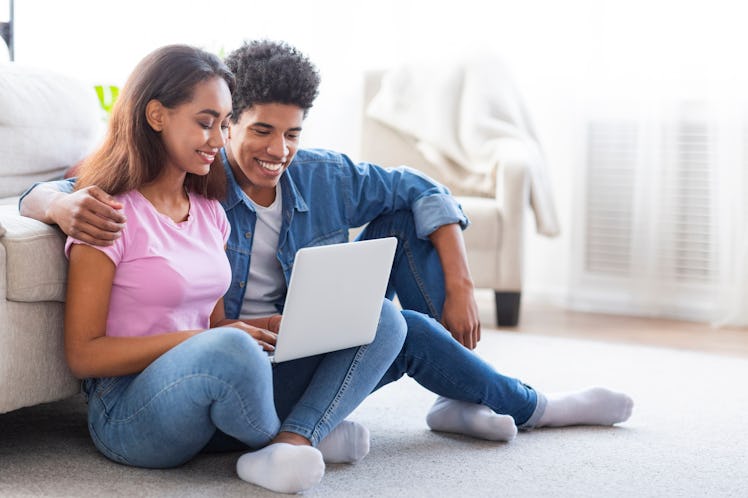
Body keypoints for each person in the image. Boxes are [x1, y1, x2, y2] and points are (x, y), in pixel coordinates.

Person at [21, 40, 633, 448]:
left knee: (396, 315)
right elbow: (61, 187)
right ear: (229, 122)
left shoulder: (301, 178)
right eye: (258, 130)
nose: (277, 151)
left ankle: (516, 403)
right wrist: (59, 204)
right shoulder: (164, 192)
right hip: (198, 365)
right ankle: (313, 430)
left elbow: (423, 189)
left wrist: (462, 289)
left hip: (269, 339)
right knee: (291, 345)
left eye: (291, 134)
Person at [58, 44, 406, 495]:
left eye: (223, 124)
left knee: (380, 317)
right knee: (230, 350)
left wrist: (285, 326)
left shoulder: (209, 211)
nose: (219, 140)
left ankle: (295, 439)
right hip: (129, 410)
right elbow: (83, 356)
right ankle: (297, 434)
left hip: (211, 393)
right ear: (156, 115)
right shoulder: (106, 215)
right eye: (205, 123)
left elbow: (218, 324)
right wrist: (209, 340)